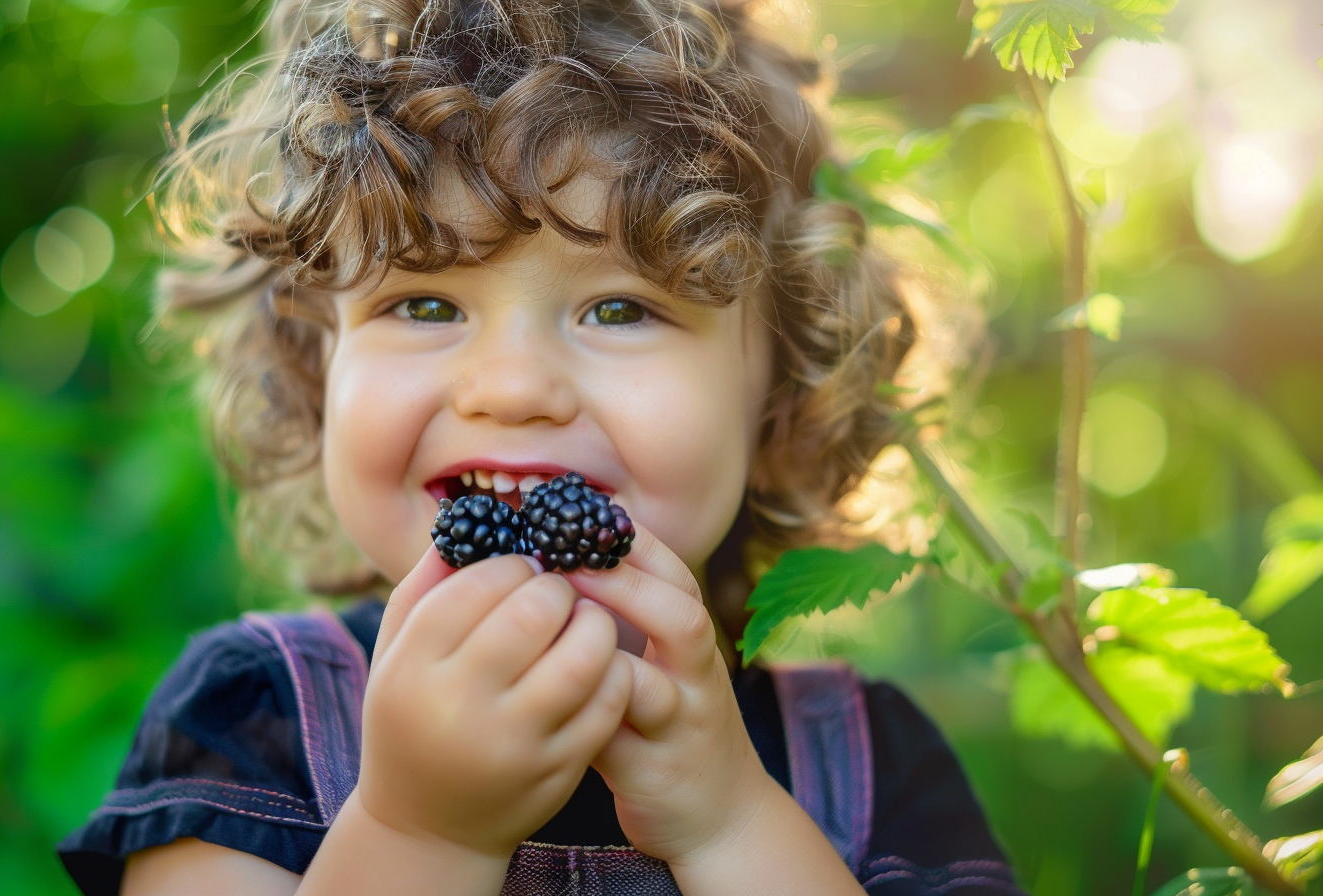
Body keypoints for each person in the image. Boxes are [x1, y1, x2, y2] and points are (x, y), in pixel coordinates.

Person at [58, 0, 1023, 892]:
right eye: (424, 303)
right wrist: (418, 832)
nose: (513, 389)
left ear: (783, 392)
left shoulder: (876, 763)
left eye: (621, 308)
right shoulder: (246, 723)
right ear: (320, 367)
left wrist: (731, 824)